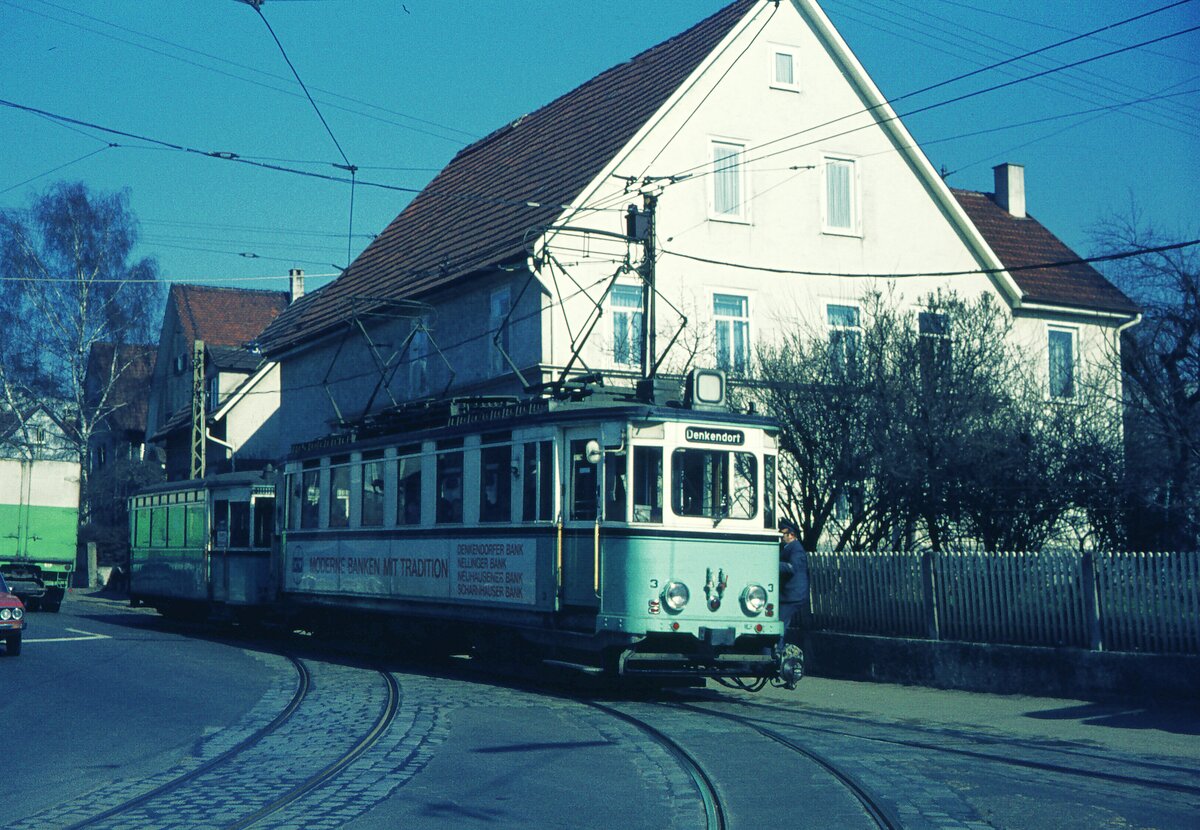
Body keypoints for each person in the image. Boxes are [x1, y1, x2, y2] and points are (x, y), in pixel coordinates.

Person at [777, 519, 809, 650]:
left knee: (779, 623)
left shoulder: (796, 549)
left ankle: (777, 651)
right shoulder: (788, 548)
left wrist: (771, 564)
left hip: (793, 595)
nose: (781, 536)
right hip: (788, 594)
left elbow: (792, 568)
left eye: (783, 534)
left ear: (791, 535)